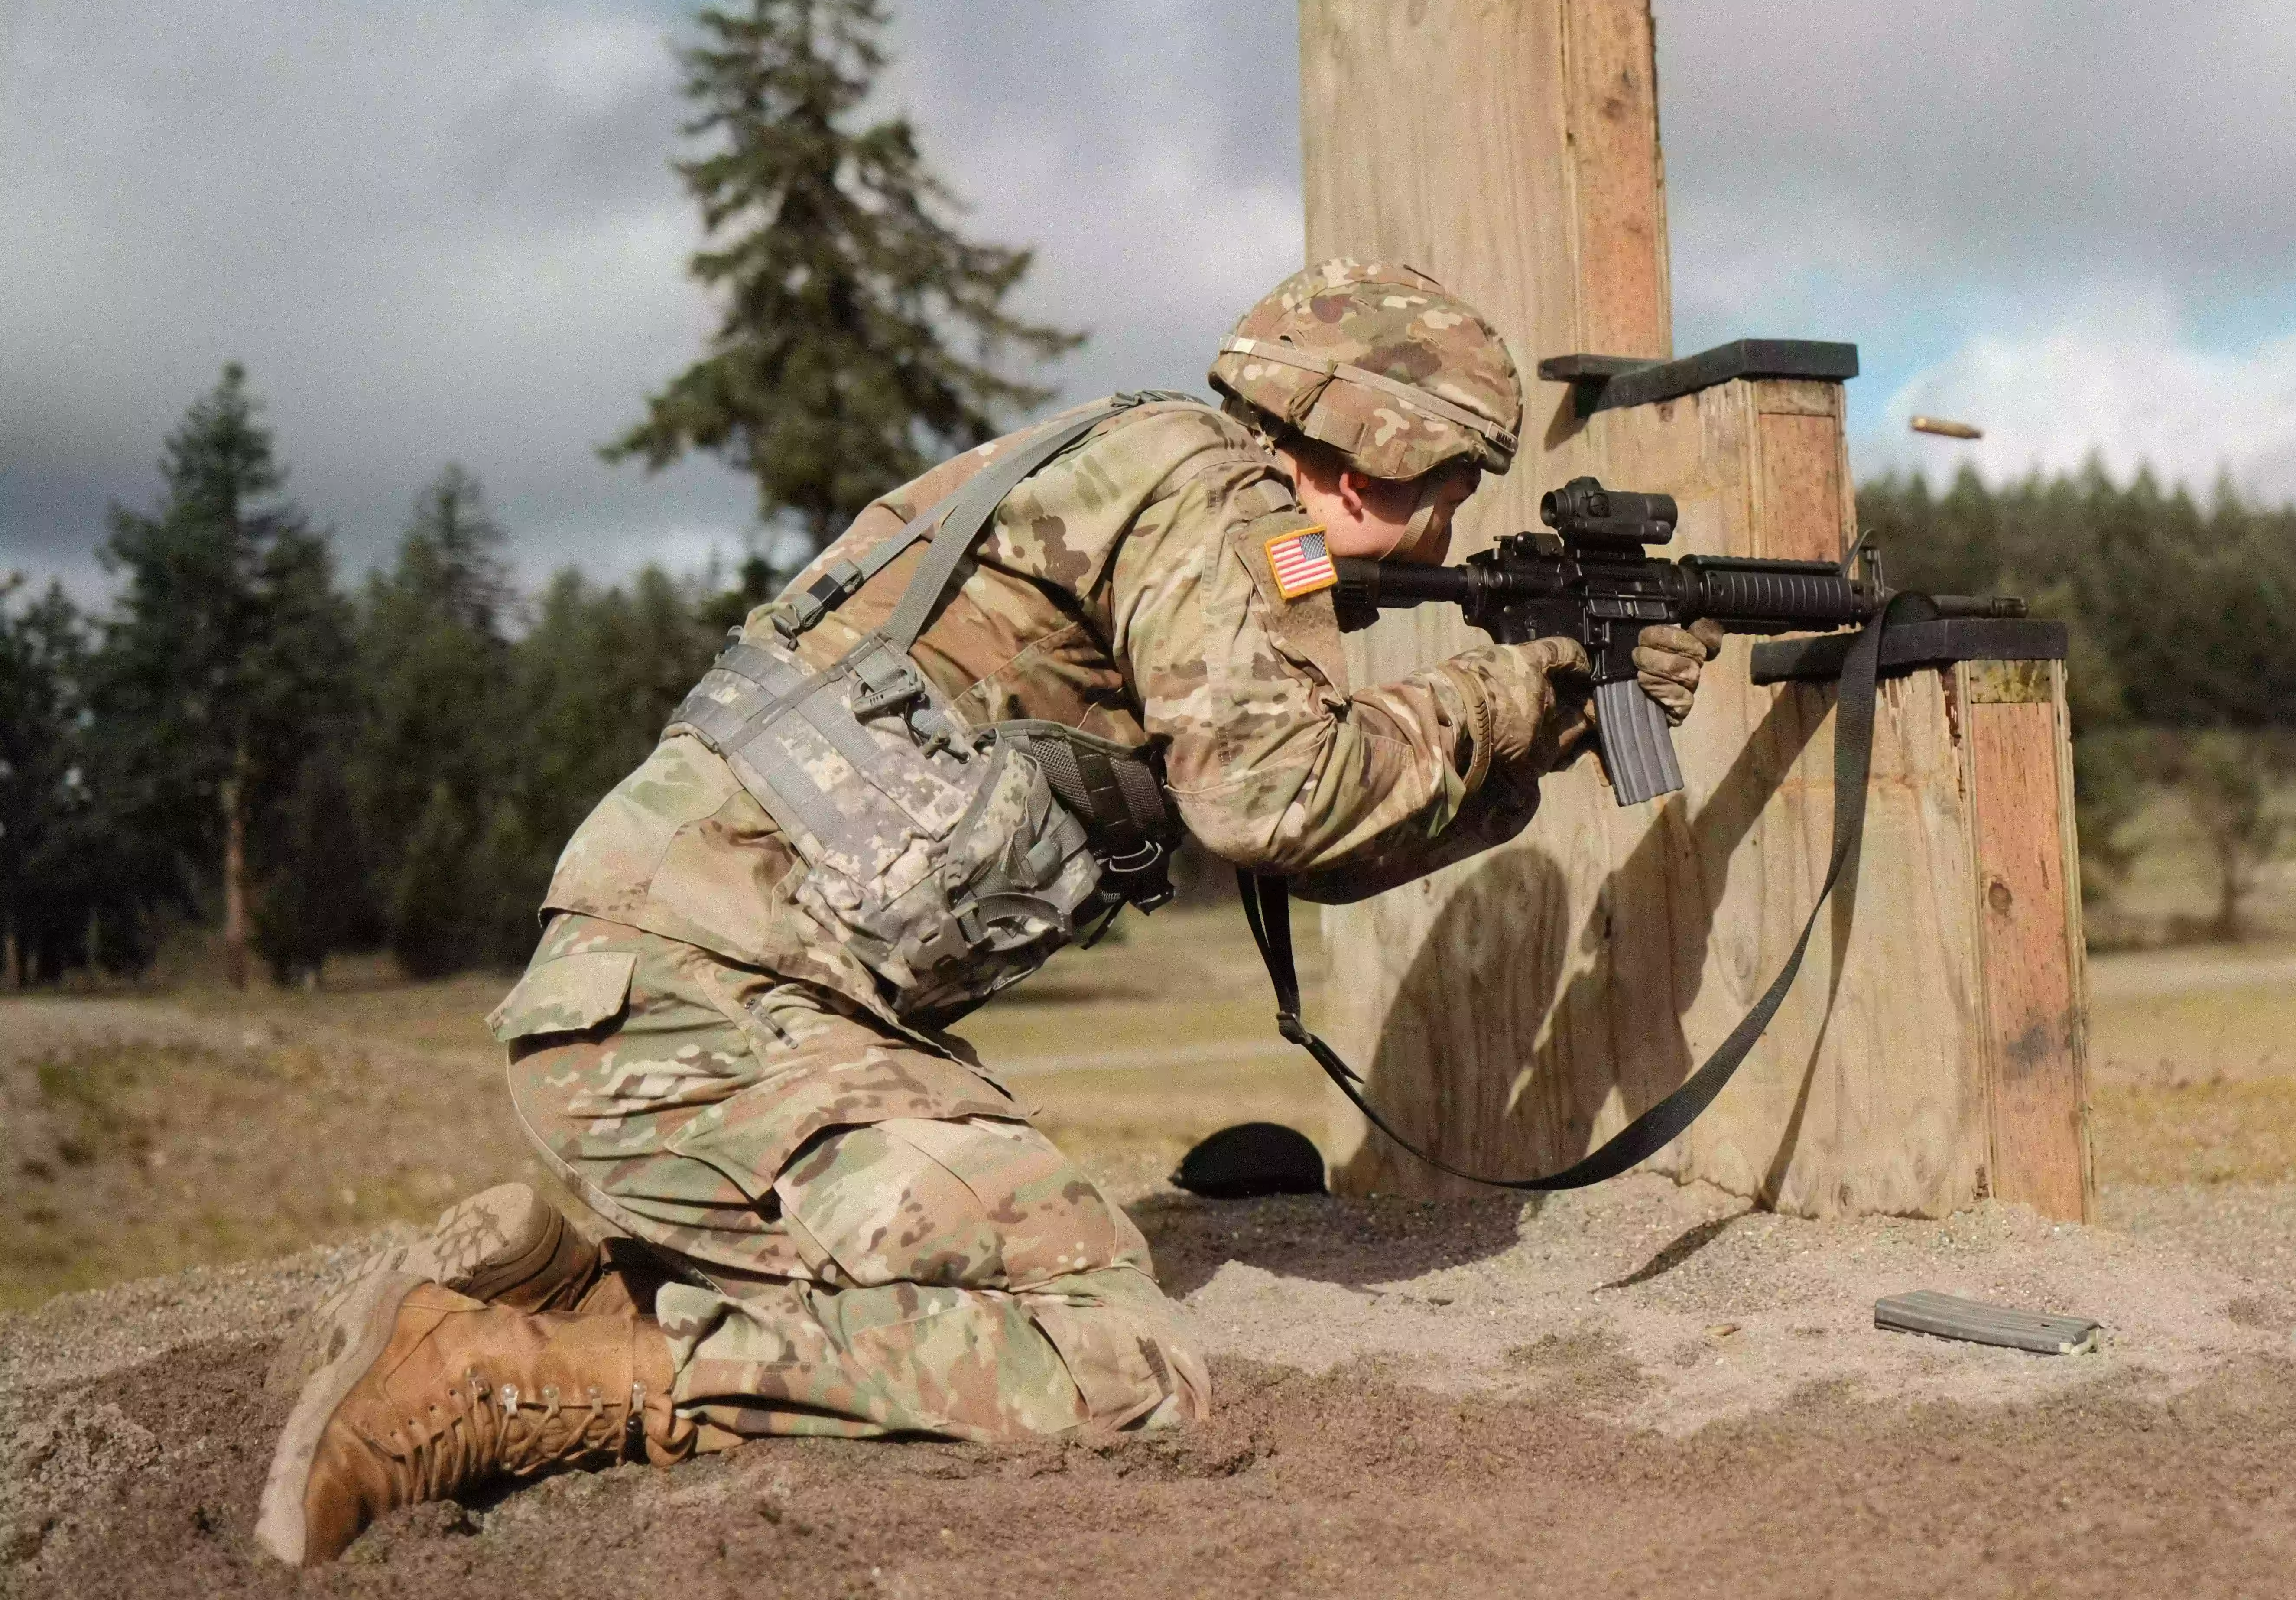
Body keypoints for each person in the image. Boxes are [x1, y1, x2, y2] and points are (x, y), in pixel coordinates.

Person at [256, 260, 1719, 1567]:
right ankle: (507, 1379)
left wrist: (1539, 725)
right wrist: (1523, 692)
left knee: (1009, 1282)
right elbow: (1279, 799)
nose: (1446, 526)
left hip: (678, 1010)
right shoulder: (1218, 502)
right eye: (1451, 482)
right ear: (1373, 450)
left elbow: (1302, 827)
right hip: (701, 1022)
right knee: (1107, 1356)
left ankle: (568, 1289)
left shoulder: (1167, 479)